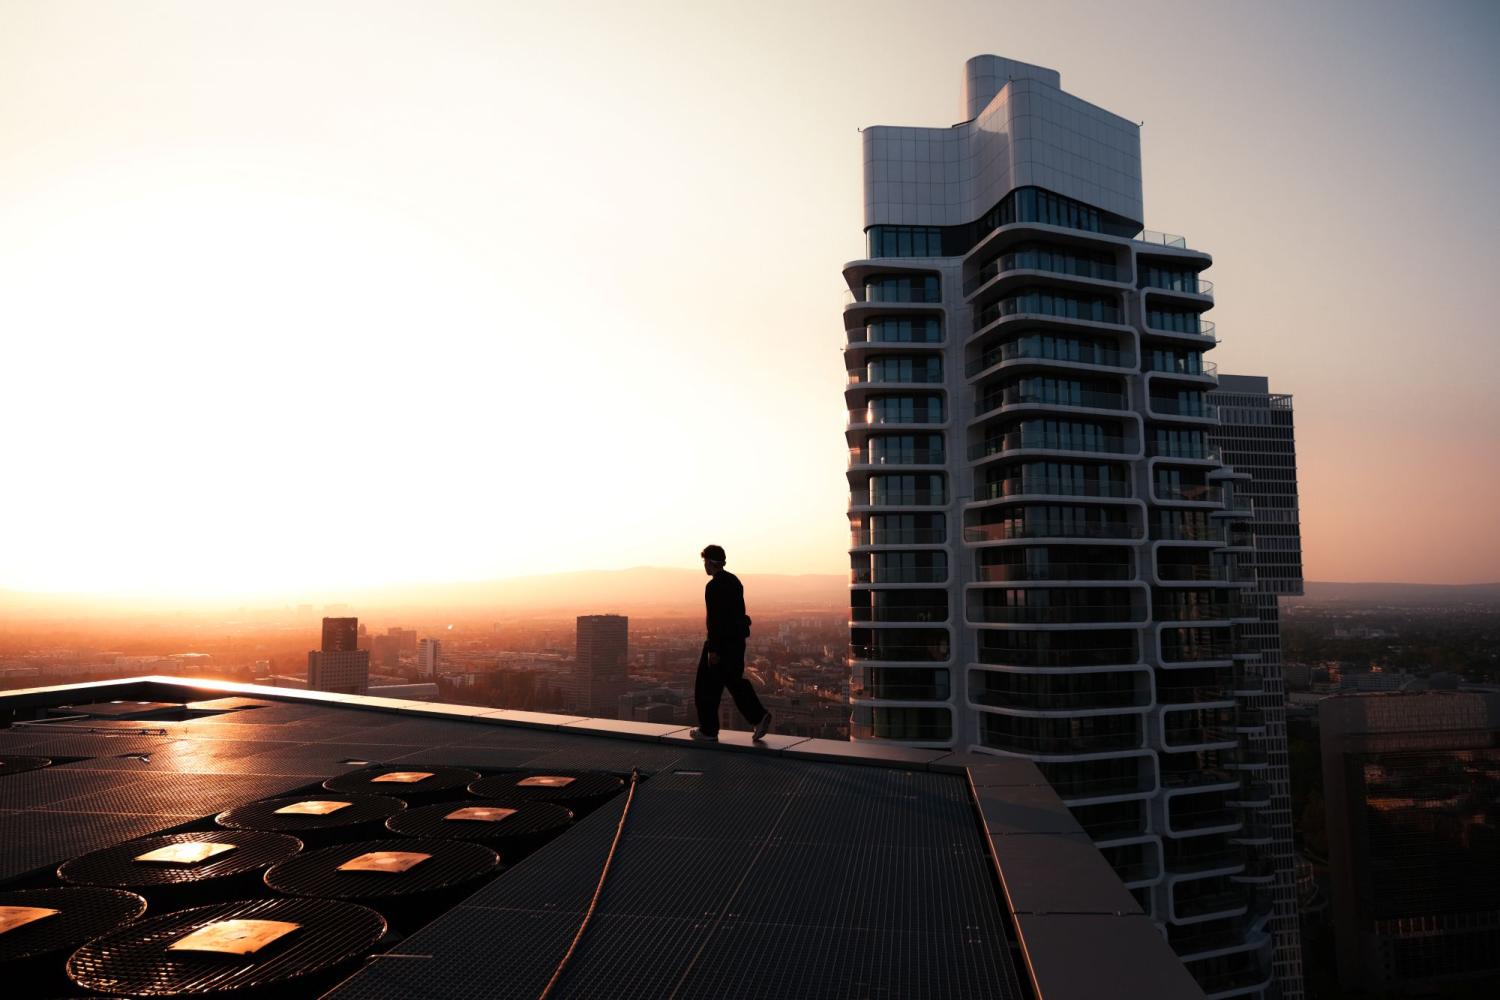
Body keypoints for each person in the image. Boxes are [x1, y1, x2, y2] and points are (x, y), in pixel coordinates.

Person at [690, 544, 772, 743]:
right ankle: (758, 716)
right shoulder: (734, 581)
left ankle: (708, 731)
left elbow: (715, 620)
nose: (704, 566)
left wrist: (714, 649)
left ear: (710, 562)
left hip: (720, 644)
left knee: (705, 687)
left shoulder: (713, 586)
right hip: (736, 643)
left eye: (705, 562)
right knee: (734, 681)